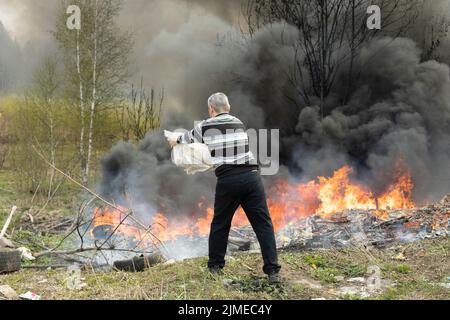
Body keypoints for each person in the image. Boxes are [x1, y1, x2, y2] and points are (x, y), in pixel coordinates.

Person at [167, 93, 281, 283]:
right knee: (263, 225)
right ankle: (273, 272)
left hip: (229, 180)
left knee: (220, 224)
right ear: (228, 107)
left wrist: (174, 141)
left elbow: (185, 139)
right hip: (252, 178)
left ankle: (215, 267)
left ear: (211, 109)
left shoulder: (206, 125)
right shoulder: (238, 122)